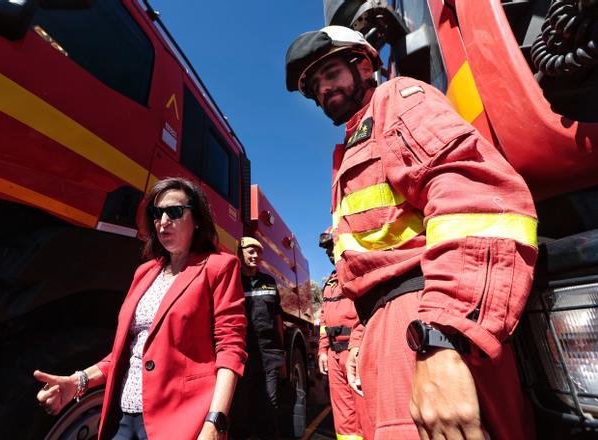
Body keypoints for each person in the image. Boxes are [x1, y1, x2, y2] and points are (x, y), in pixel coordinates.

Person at [285, 26, 538, 440]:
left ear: (364, 65)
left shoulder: (398, 99)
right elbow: (371, 265)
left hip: (422, 323)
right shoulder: (353, 142)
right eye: (313, 86)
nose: (321, 89)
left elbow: (471, 199)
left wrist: (442, 338)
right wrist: (362, 338)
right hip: (388, 332)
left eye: (329, 73)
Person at [34, 177, 247, 440]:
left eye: (175, 211)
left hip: (183, 419)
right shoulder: (144, 272)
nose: (163, 221)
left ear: (198, 219)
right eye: (157, 213)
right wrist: (77, 382)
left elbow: (230, 348)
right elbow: (125, 353)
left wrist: (216, 420)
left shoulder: (220, 267)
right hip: (124, 417)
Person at [317, 229, 372, 440]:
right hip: (334, 354)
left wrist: (357, 346)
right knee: (343, 417)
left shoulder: (360, 274)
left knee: (364, 411)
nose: (330, 252)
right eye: (327, 250)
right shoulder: (330, 283)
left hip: (356, 350)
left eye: (333, 246)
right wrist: (323, 350)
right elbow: (323, 319)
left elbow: (368, 313)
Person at [229, 237, 285, 440]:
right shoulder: (232, 281)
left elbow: (277, 316)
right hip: (243, 354)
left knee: (270, 406)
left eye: (258, 252)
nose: (255, 256)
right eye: (250, 251)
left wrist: (282, 354)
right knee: (241, 408)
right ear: (240, 252)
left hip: (269, 354)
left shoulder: (269, 281)